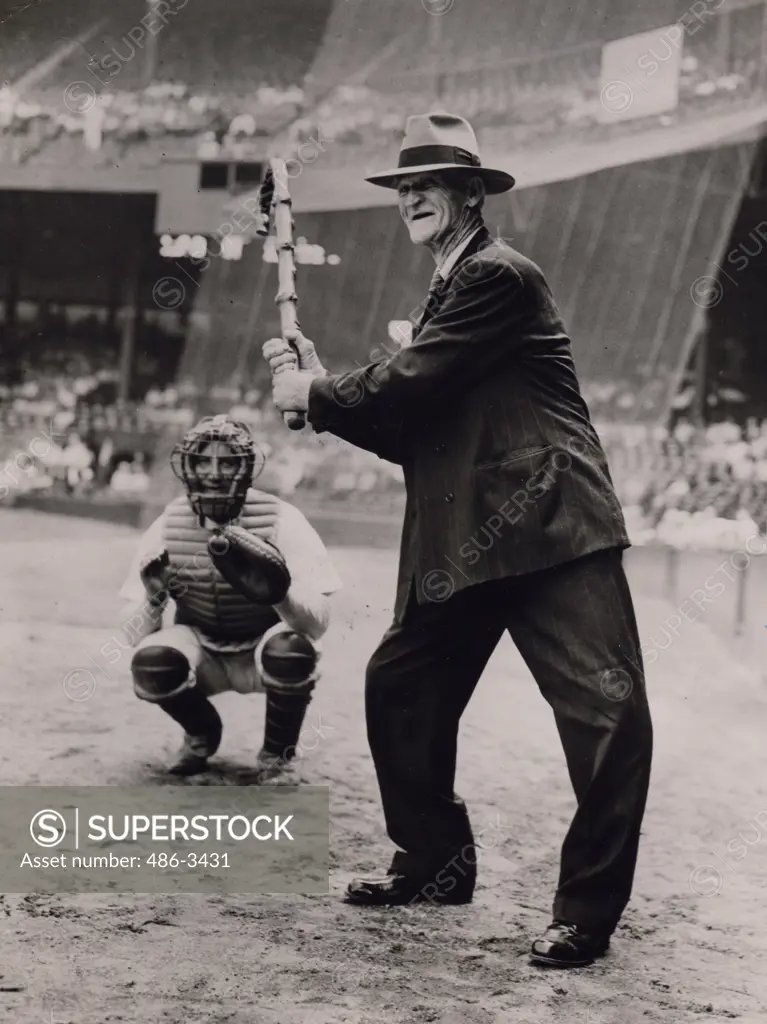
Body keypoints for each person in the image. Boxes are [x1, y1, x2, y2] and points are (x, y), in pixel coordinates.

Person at [263, 112, 653, 968]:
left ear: (472, 193)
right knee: (399, 685)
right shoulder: (445, 295)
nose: (410, 200)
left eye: (426, 186)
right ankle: (435, 860)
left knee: (609, 716)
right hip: (466, 544)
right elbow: (410, 423)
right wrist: (318, 395)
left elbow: (410, 379)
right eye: (402, 189)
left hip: (552, 530)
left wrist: (316, 390)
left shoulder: (498, 276)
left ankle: (584, 913)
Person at [118, 414, 341, 778]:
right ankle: (201, 735)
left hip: (262, 651)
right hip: (202, 647)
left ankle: (277, 753)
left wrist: (280, 591)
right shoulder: (169, 522)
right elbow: (132, 638)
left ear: (248, 467)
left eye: (228, 462)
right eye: (204, 460)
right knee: (152, 663)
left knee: (293, 651)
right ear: (187, 465)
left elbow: (318, 623)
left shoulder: (281, 519)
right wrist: (154, 599)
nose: (214, 473)